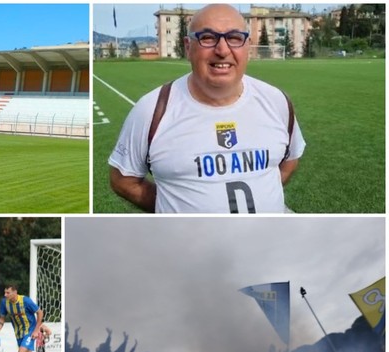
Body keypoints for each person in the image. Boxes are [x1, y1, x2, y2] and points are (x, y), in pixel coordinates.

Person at [108, 3, 305, 213]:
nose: (222, 50)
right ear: (188, 47)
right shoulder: (152, 110)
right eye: (208, 38)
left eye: (235, 38)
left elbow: (289, 161)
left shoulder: (276, 101)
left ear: (248, 46)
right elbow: (123, 179)